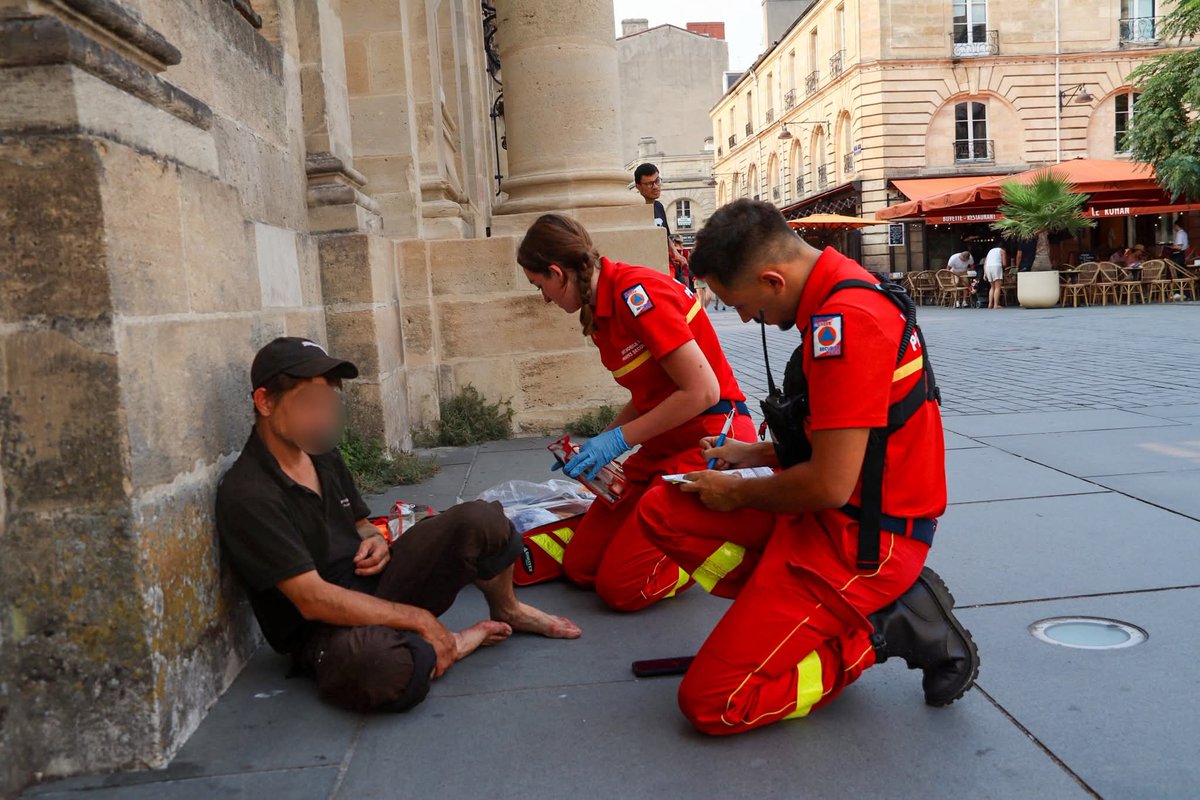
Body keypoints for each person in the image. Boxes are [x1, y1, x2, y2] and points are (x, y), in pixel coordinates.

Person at [629, 199, 979, 735]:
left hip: (865, 543)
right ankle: (791, 622)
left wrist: (736, 491)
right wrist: (756, 454)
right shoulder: (841, 292)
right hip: (833, 516)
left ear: (773, 280)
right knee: (663, 507)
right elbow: (856, 439)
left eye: (741, 305)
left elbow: (829, 483)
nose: (745, 318)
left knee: (714, 703)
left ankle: (878, 631)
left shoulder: (847, 323)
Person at [215, 337, 580, 713]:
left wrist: (372, 537)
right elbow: (312, 600)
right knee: (382, 668)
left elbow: (360, 522)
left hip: (375, 584)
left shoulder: (318, 450)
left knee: (483, 519)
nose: (322, 416)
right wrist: (419, 619)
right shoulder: (249, 494)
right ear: (265, 402)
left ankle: (507, 610)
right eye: (309, 402)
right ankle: (450, 644)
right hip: (323, 626)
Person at [517, 214, 756, 611]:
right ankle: (661, 532)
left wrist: (618, 440)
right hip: (664, 446)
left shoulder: (637, 295)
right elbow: (650, 394)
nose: (544, 298)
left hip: (712, 443)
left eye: (539, 285)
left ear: (556, 273)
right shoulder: (599, 309)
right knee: (580, 568)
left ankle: (718, 538)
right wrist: (602, 443)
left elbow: (703, 391)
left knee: (622, 588)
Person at [983, 244, 1006, 309]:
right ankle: (996, 305)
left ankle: (990, 304)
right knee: (997, 287)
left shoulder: (990, 251)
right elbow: (1004, 263)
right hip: (996, 267)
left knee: (992, 287)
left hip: (988, 267)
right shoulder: (1002, 251)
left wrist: (985, 273)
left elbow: (985, 263)